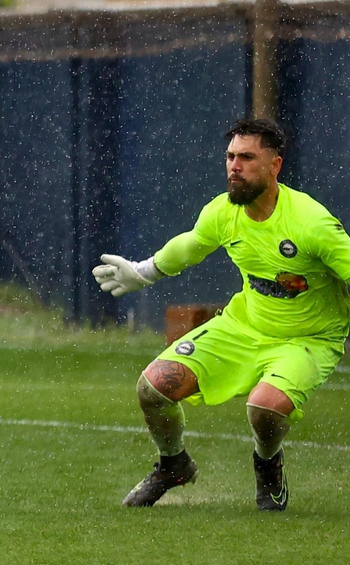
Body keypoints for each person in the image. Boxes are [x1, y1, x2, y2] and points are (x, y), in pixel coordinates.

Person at [93, 117, 350, 511]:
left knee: (264, 408)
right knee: (153, 388)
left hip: (307, 340)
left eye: (247, 157)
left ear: (274, 165)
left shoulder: (312, 224)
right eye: (230, 156)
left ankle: (267, 463)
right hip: (243, 327)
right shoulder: (224, 211)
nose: (235, 166)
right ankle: (173, 464)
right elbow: (191, 245)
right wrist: (143, 271)